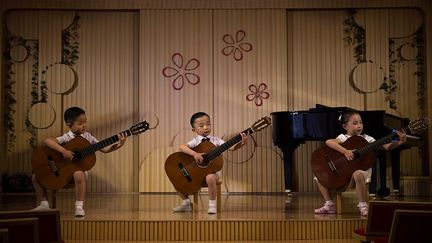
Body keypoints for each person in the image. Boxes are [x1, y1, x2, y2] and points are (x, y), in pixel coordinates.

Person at [32, 107, 127, 217]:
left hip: (78, 173)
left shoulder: (88, 137)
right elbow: (47, 141)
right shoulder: (67, 137)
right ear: (69, 124)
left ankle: (79, 207)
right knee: (35, 177)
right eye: (80, 123)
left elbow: (105, 149)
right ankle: (44, 204)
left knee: (78, 173)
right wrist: (63, 151)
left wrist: (120, 144)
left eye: (85, 122)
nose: (84, 125)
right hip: (63, 172)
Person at [314, 110, 407, 217]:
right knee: (319, 175)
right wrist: (345, 151)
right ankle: (329, 204)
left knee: (357, 173)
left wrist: (400, 142)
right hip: (345, 173)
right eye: (355, 123)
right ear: (345, 126)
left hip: (363, 171)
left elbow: (386, 147)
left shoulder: (367, 139)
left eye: (360, 122)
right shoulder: (343, 138)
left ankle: (363, 205)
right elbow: (329, 142)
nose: (359, 126)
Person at [172, 112, 248, 214]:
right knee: (176, 178)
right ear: (194, 130)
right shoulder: (195, 141)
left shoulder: (216, 140)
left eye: (208, 124)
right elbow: (182, 147)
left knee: (210, 177)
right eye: (201, 125)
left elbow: (231, 147)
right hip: (196, 174)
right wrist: (195, 154)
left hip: (212, 174)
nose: (206, 127)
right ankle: (186, 203)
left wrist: (241, 144)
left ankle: (212, 205)